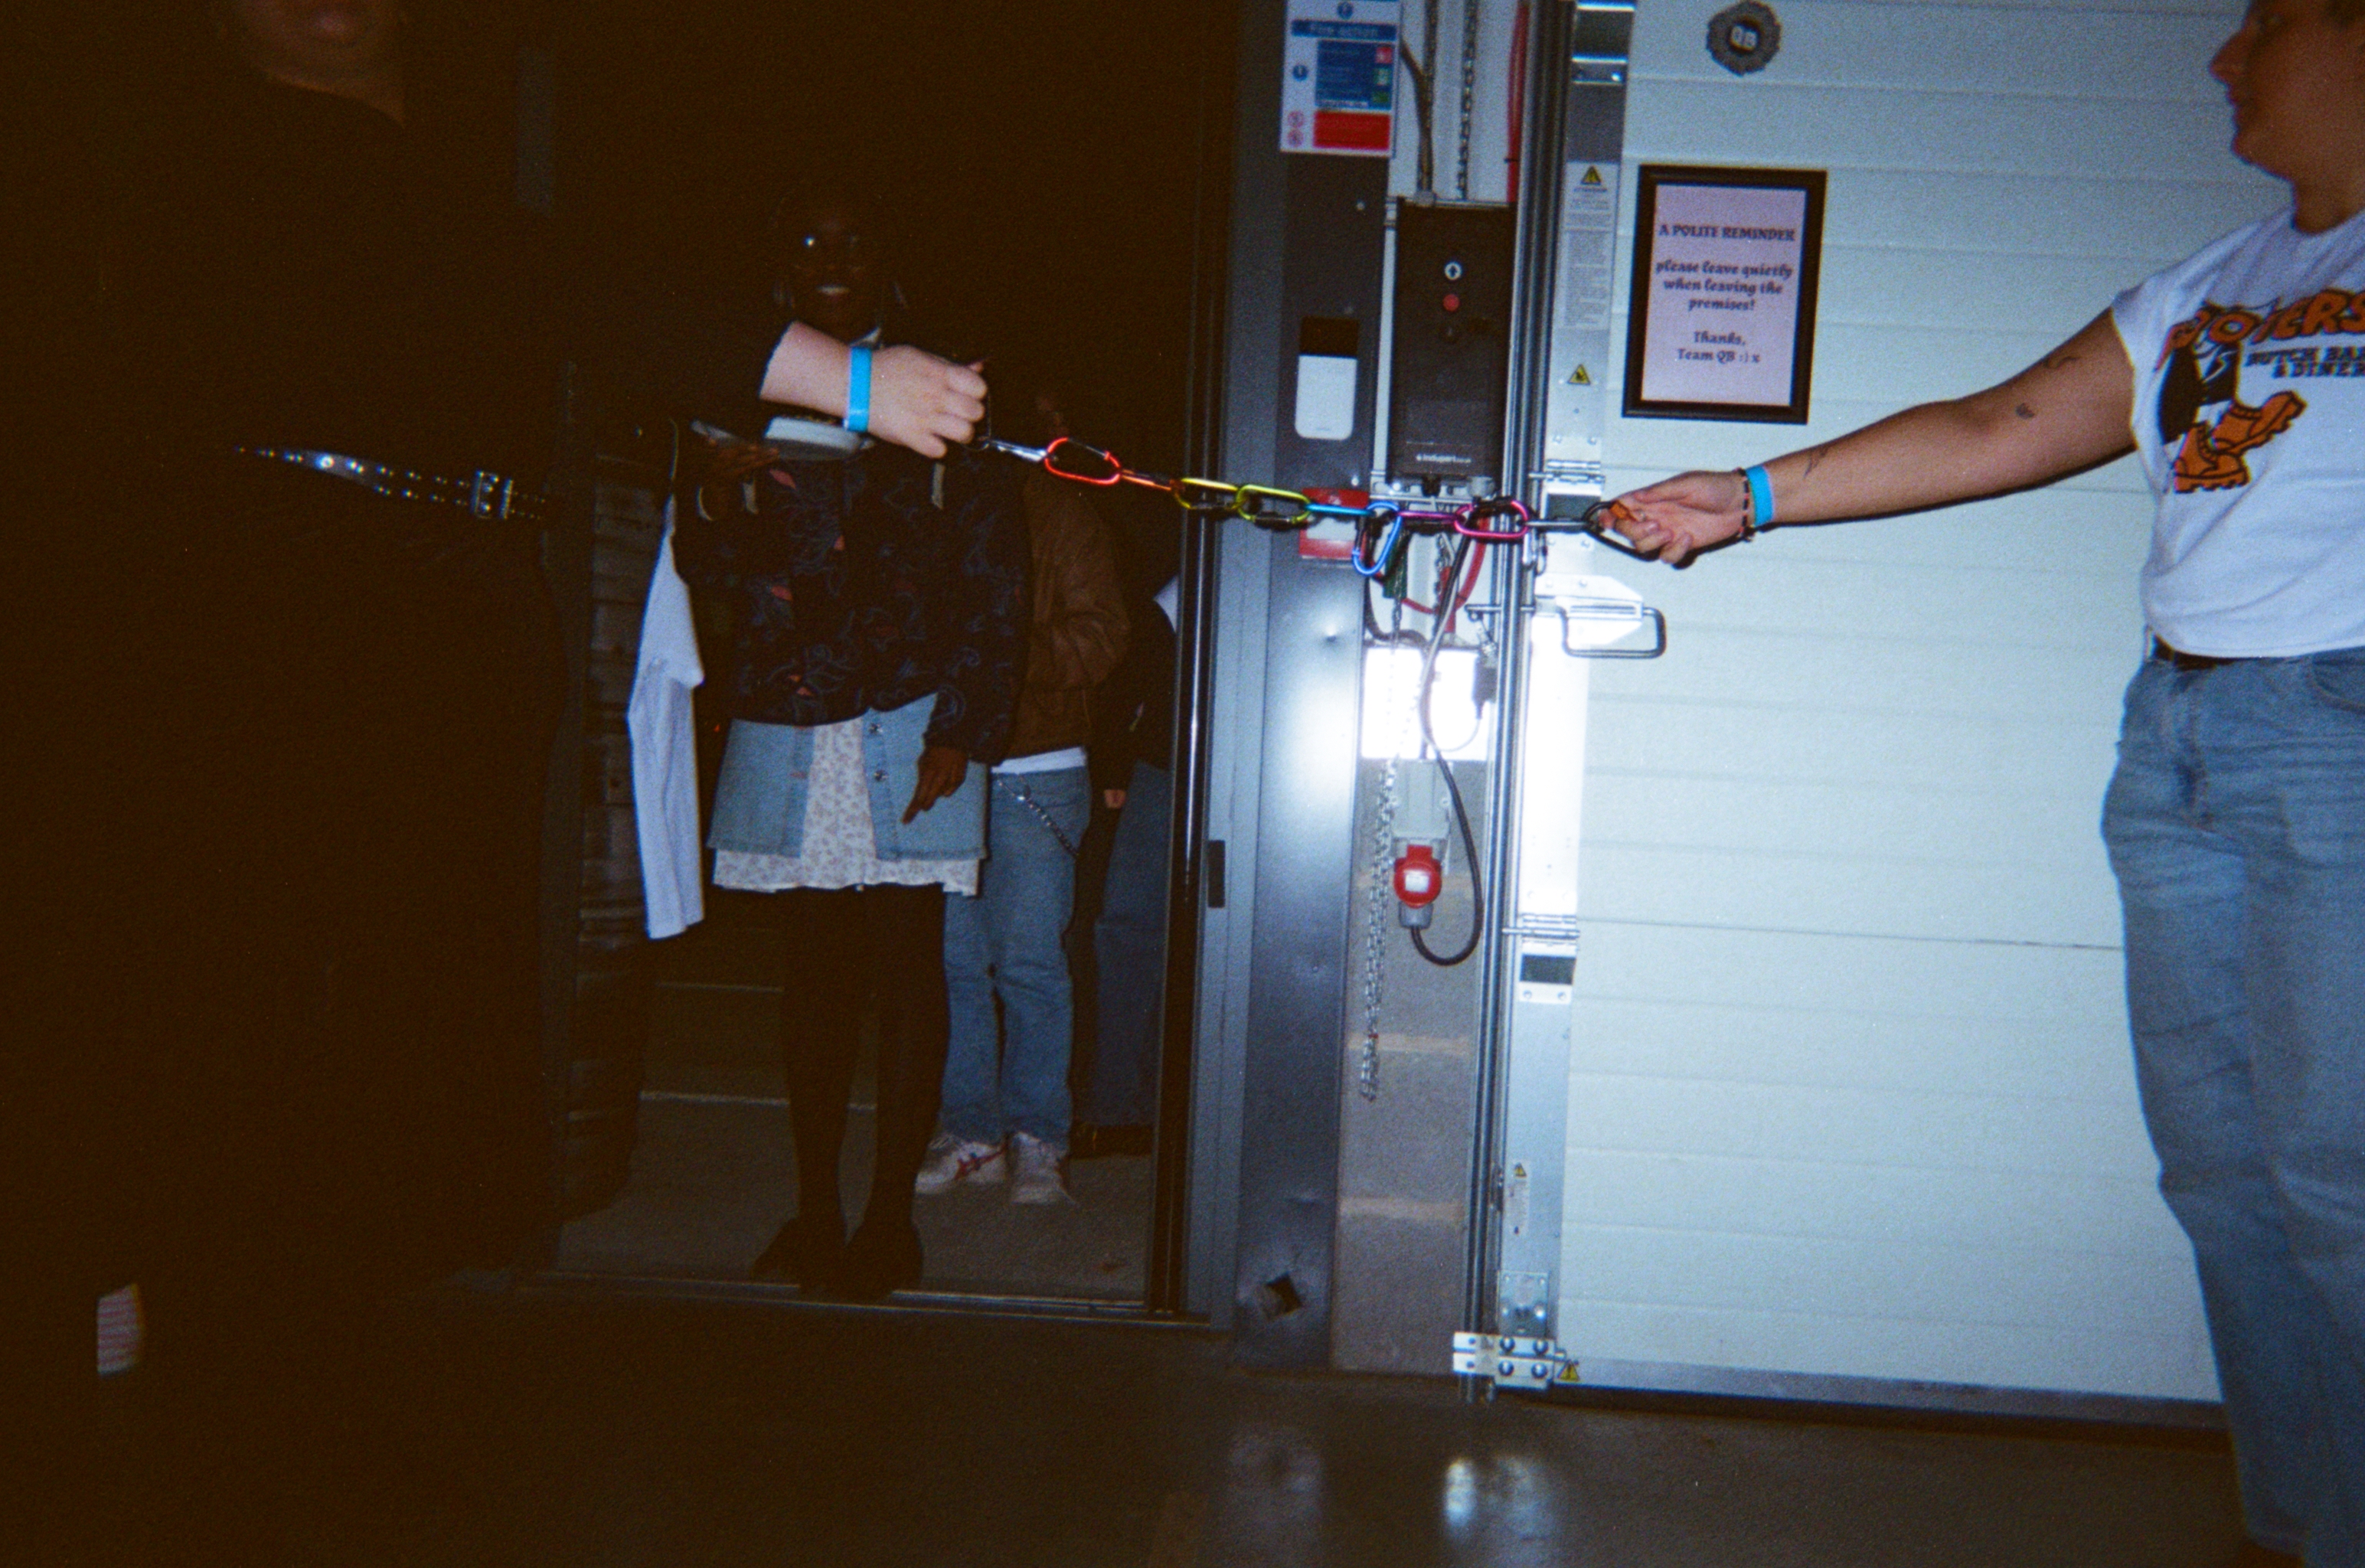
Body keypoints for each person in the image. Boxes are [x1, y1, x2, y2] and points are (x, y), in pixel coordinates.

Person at [60, 6, 984, 1550]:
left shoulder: (456, 159)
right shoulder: (207, 153)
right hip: (270, 602)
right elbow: (555, 282)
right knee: (250, 1011)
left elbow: (533, 299)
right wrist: (839, 374)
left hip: (435, 599)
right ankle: (180, 1321)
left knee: (392, 1029)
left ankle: (270, 1333)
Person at [1605, 5, 2365, 1563]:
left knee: (2337, 1178)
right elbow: (2002, 424)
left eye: (2259, 27)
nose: (2217, 61)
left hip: (2338, 725)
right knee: (2223, 1176)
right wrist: (1741, 498)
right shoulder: (2210, 286)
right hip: (2179, 733)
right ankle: (2303, 1526)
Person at [675, 185, 1027, 1297]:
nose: (831, 258)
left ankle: (890, 1220)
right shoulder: (739, 400)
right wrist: (717, 500)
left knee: (908, 976)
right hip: (790, 719)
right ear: (782, 274)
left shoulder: (933, 389)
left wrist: (962, 729)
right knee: (813, 982)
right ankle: (814, 1213)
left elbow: (992, 576)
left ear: (887, 268)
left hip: (907, 720)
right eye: (809, 241)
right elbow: (708, 576)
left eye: (854, 242)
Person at [918, 384, 1129, 1203]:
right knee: (953, 964)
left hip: (1036, 766)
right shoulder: (930, 506)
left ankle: (1039, 1136)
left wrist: (1000, 659)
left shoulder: (1061, 512)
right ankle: (972, 1133)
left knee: (1031, 964)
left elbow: (1103, 631)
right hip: (943, 766)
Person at [1073, 574, 1181, 1158]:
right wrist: (1115, 765)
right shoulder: (1169, 599)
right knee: (1126, 932)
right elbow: (1133, 678)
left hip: (1244, 771)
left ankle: (1170, 1106)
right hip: (1163, 768)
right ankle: (1116, 1108)